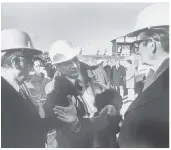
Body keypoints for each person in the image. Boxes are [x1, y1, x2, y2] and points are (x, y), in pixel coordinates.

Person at [44, 40, 117, 147]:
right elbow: (70, 129)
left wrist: (108, 107)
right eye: (67, 63)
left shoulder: (88, 79)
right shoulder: (55, 93)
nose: (74, 65)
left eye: (75, 60)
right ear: (57, 66)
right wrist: (103, 119)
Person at [118, 3, 169, 147]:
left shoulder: (145, 109)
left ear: (152, 44)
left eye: (138, 43)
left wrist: (128, 123)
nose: (136, 50)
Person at [1, 29, 46, 148]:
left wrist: (60, 119)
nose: (32, 67)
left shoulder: (18, 88)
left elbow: (30, 125)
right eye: (30, 61)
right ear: (15, 62)